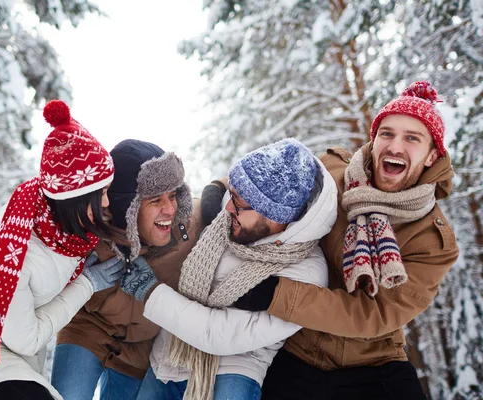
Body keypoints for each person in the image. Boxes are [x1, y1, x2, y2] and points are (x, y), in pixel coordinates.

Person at [238, 81, 459, 399]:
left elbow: (372, 314)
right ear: (374, 139)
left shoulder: (432, 240)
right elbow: (269, 176)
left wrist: (274, 294)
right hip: (297, 348)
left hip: (373, 363)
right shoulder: (333, 174)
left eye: (412, 139)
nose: (395, 147)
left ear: (431, 156)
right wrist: (220, 190)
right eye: (387, 133)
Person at [0, 100, 123, 400]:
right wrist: (88, 283)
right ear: (73, 197)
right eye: (100, 195)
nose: (106, 203)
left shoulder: (37, 203)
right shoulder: (17, 253)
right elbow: (27, 340)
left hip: (15, 346)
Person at [120, 139, 338, 400]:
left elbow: (220, 334)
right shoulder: (230, 223)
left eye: (238, 201)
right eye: (231, 193)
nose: (227, 207)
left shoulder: (306, 274)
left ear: (274, 215)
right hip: (171, 356)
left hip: (236, 369)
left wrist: (151, 292)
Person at [48, 139, 205, 400]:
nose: (170, 208)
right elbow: (6, 228)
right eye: (155, 200)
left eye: (173, 195)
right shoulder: (89, 224)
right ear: (126, 209)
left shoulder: (188, 226)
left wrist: (215, 189)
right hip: (87, 329)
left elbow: (235, 199)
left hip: (141, 346)